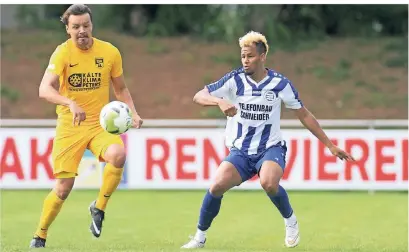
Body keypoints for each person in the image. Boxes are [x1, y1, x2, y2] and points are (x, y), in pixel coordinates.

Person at [181, 31, 355, 249]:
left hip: (270, 149)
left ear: (262, 56)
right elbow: (198, 95)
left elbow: (304, 114)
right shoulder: (234, 80)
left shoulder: (280, 84)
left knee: (268, 182)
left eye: (250, 56)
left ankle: (290, 221)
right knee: (216, 187)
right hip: (241, 151)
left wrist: (330, 145)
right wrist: (219, 102)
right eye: (243, 56)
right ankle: (199, 237)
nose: (245, 60)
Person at [29, 4, 143, 248]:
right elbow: (44, 89)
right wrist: (69, 102)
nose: (82, 30)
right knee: (63, 188)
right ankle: (40, 234)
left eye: (86, 25)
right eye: (76, 27)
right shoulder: (62, 54)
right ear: (68, 30)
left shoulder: (110, 52)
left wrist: (133, 113)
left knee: (119, 155)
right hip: (70, 126)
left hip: (99, 125)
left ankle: (99, 208)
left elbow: (120, 88)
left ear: (92, 25)